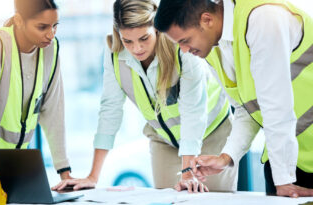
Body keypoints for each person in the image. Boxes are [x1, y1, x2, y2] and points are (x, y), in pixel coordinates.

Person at [52, 0, 237, 193]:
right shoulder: (114, 53)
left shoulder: (182, 46)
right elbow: (110, 109)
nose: (137, 49)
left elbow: (193, 111)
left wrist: (188, 171)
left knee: (207, 199)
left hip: (211, 133)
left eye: (144, 38)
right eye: (128, 41)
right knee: (169, 200)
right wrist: (93, 176)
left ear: (155, 29)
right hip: (163, 140)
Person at [154, 0, 313, 197]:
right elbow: (247, 108)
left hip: (289, 169)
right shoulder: (213, 48)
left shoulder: (263, 19)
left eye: (185, 40)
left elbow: (276, 108)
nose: (183, 50)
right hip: (291, 162)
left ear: (206, 20)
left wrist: (283, 179)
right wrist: (226, 157)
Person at [0, 0, 72, 181]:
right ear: (18, 20)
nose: (51, 34)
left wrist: (65, 174)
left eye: (55, 26)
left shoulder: (50, 50)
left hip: (5, 167)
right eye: (42, 27)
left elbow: (54, 110)